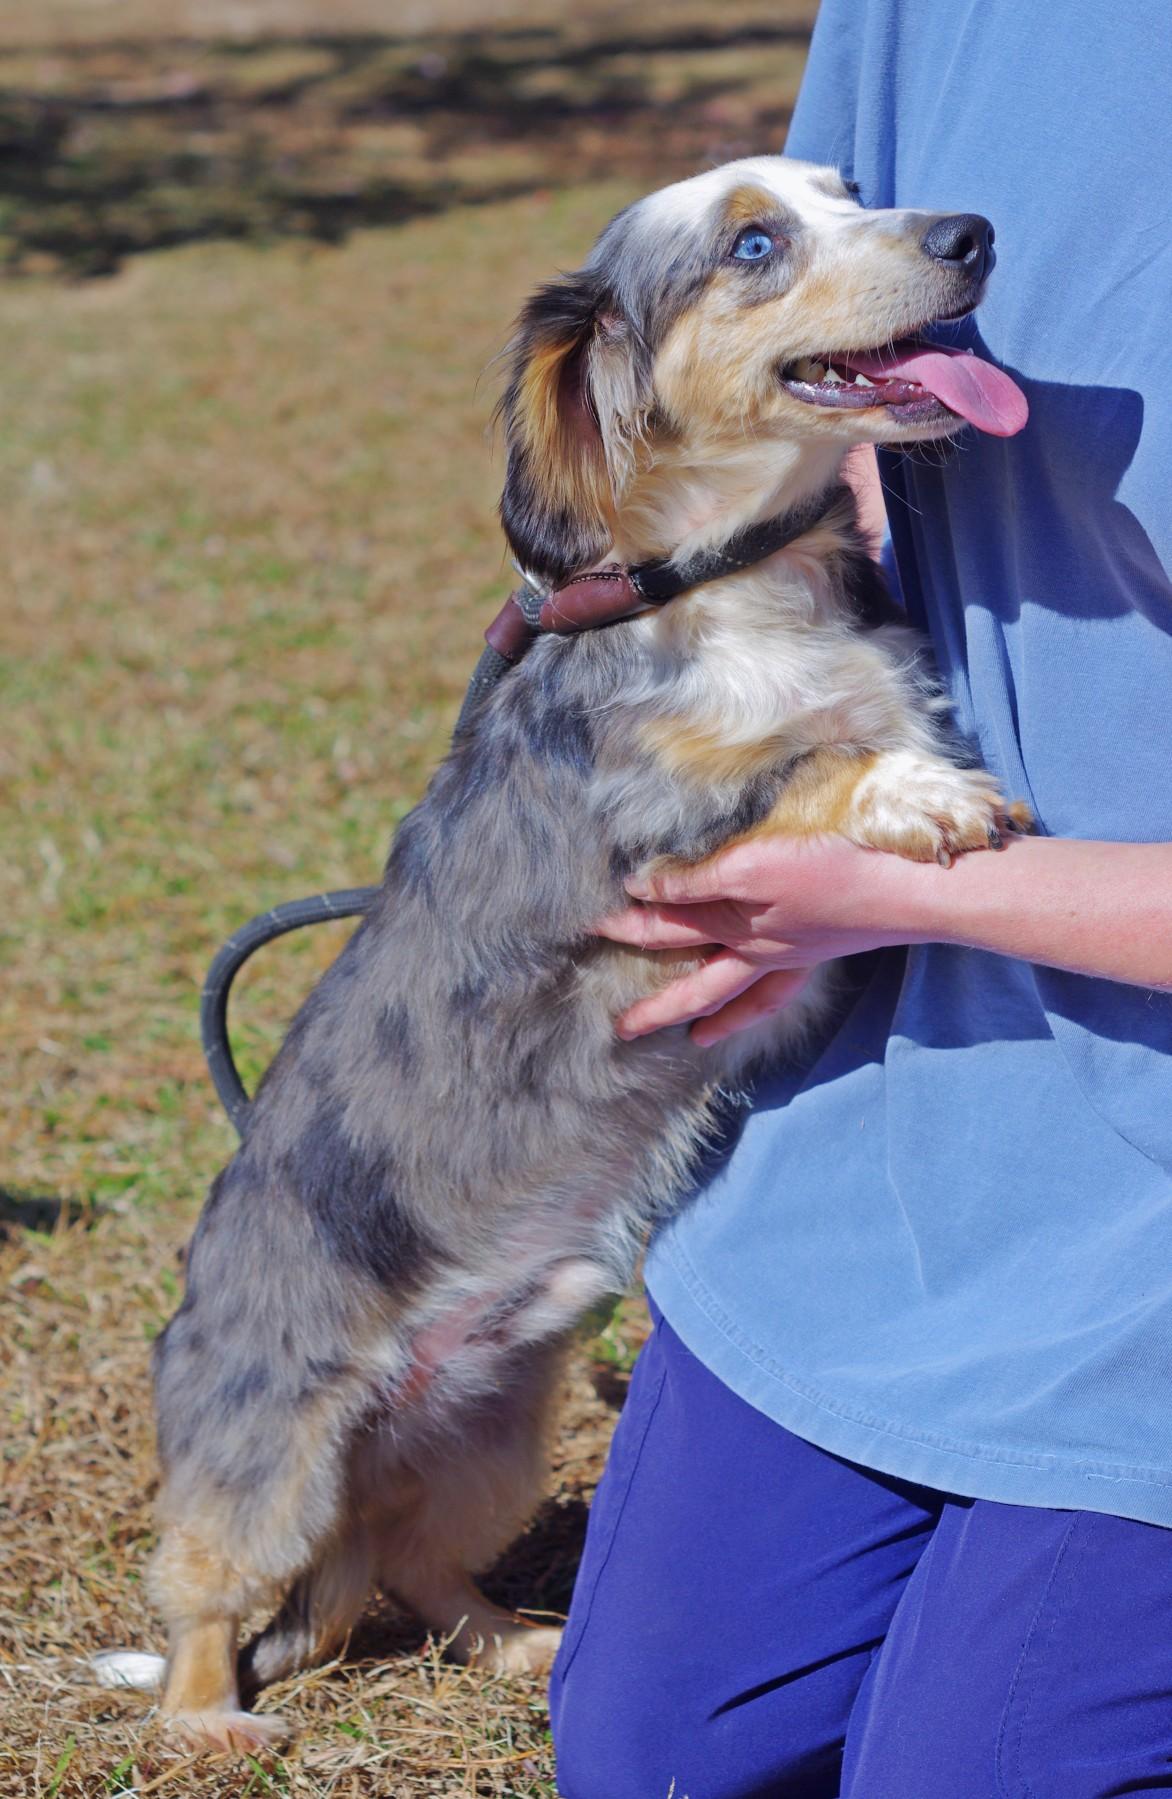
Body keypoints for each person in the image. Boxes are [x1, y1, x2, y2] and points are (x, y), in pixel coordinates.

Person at [548, 1, 1172, 1794]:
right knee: (663, 1754)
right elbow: (820, 376)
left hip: (1005, 982)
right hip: (920, 1076)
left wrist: (901, 891)